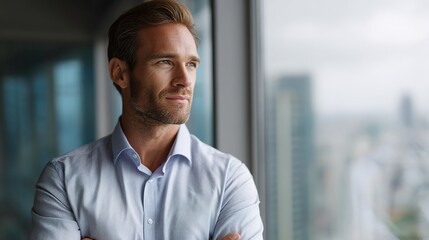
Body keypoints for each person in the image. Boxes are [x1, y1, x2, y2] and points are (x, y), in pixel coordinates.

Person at [30, 0, 264, 239]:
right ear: (120, 73)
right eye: (165, 62)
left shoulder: (229, 180)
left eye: (191, 64)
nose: (185, 80)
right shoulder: (64, 180)